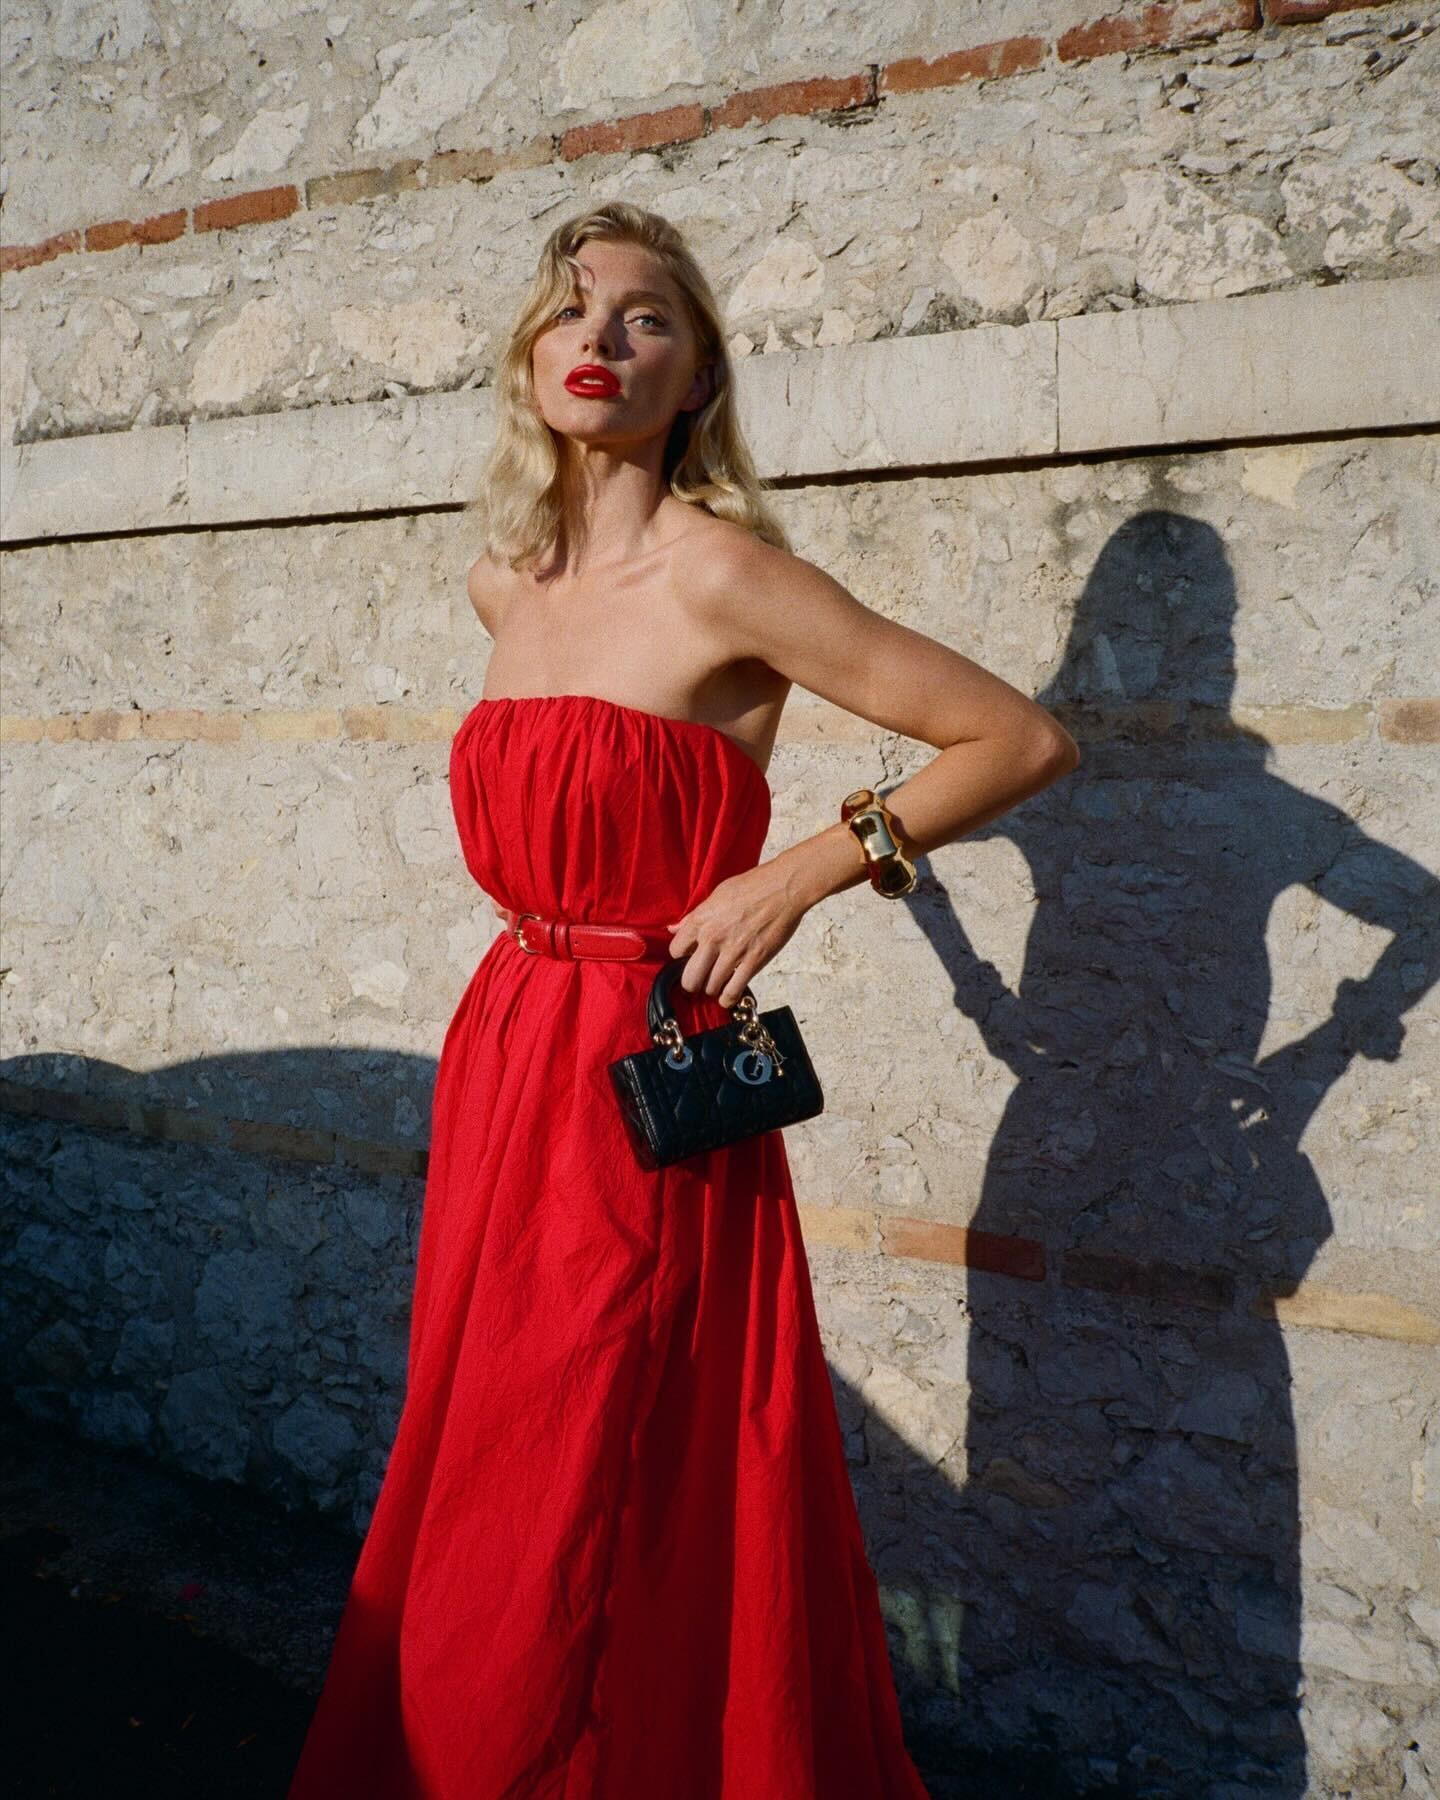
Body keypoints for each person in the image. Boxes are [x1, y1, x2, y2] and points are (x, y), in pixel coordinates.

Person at [287, 199, 1079, 1799]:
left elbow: (1017, 739)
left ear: (697, 373)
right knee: (493, 1446)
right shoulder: (504, 587)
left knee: (592, 1447)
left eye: (644, 316)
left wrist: (798, 875)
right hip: (508, 1048)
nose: (599, 338)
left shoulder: (725, 575)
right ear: (529, 358)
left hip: (645, 1074)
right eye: (568, 309)